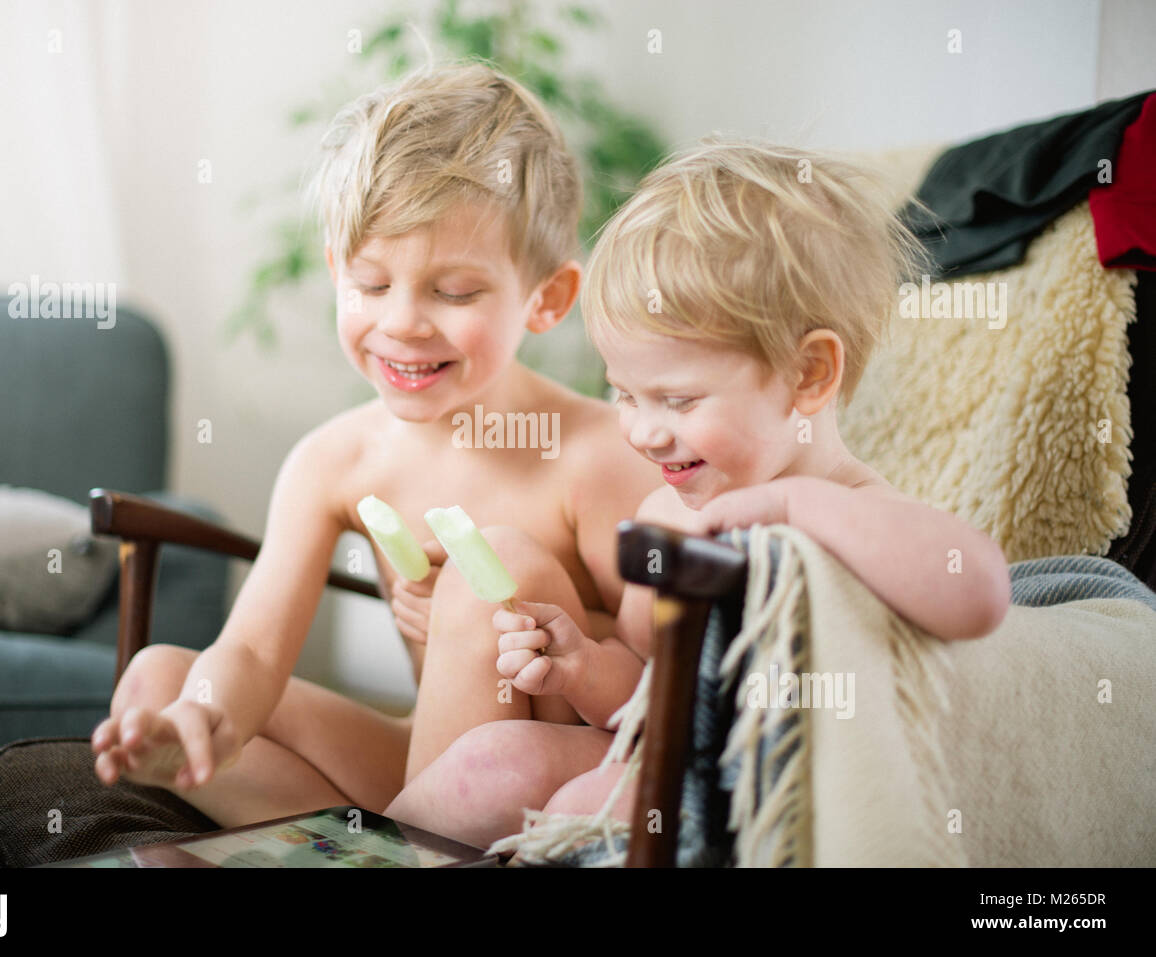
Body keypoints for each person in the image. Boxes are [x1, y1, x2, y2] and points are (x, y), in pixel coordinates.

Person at [385, 138, 1012, 849]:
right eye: (623, 393)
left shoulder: (855, 509)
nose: (644, 432)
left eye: (677, 399)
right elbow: (645, 686)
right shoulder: (667, 516)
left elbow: (983, 593)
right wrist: (583, 666)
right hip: (659, 759)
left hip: (774, 794)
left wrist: (792, 507)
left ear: (808, 374)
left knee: (592, 800)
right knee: (488, 762)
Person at [90, 61, 660, 827]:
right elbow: (255, 654)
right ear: (335, 272)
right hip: (423, 753)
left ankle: (400, 840)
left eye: (454, 292)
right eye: (369, 282)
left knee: (504, 560)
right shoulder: (336, 461)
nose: (402, 322)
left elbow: (662, 684)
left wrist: (502, 619)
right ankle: (379, 844)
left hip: (543, 766)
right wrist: (203, 719)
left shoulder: (596, 454)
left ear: (546, 299)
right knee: (162, 680)